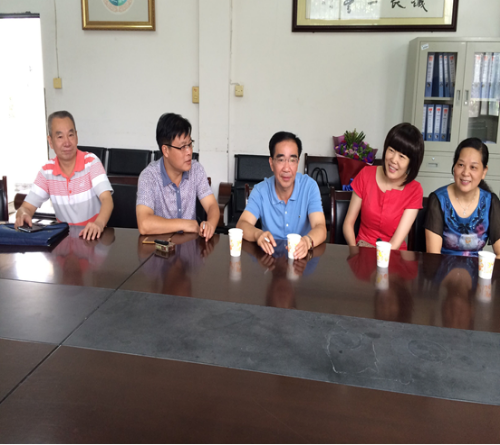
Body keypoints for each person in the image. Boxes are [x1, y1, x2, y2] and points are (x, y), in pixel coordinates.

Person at [15, 111, 114, 240]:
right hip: (64, 241)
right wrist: (23, 214)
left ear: (76, 137)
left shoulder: (91, 162)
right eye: (60, 137)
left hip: (94, 238)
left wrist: (99, 224)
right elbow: (26, 208)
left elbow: (107, 200)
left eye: (70, 135)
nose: (67, 142)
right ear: (50, 141)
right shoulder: (47, 172)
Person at [236, 131, 327, 259]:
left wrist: (307, 241)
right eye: (281, 160)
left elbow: (320, 227)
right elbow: (242, 224)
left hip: (302, 259)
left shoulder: (309, 187)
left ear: (298, 163)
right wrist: (258, 235)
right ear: (271, 163)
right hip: (269, 259)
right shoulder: (260, 190)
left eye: (292, 160)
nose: (286, 168)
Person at [136, 113, 219, 240]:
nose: (189, 151)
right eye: (183, 147)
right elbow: (144, 224)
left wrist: (210, 224)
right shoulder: (149, 176)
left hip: (190, 247)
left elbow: (212, 205)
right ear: (165, 150)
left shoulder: (196, 169)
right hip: (160, 248)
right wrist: (186, 224)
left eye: (190, 144)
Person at [343, 122, 424, 250]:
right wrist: (354, 252)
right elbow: (348, 223)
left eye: (401, 156)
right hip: (362, 250)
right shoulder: (365, 174)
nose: (393, 160)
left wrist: (380, 260)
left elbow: (396, 243)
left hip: (393, 255)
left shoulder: (415, 190)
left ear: (411, 163)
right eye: (391, 150)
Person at [425, 138, 500, 257]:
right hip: (442, 266)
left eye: (473, 167)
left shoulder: (491, 202)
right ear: (454, 166)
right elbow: (433, 254)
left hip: (478, 267)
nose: (465, 173)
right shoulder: (439, 200)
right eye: (461, 165)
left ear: (484, 172)